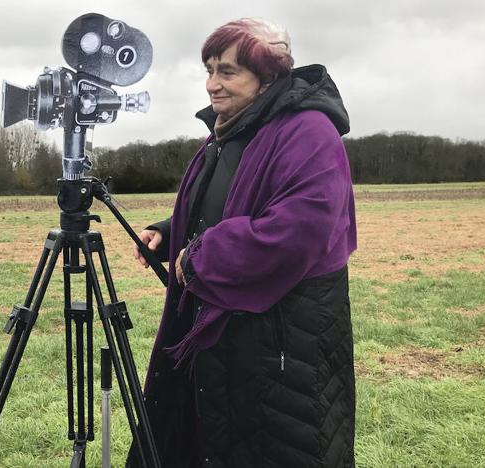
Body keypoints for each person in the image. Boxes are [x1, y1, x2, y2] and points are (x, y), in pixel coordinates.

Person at [128, 18, 357, 467]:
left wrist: (200, 257)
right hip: (223, 339)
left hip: (284, 344)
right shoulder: (227, 130)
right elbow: (222, 203)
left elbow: (297, 230)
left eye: (227, 72)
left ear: (269, 74)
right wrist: (172, 230)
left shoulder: (309, 131)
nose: (212, 84)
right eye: (209, 69)